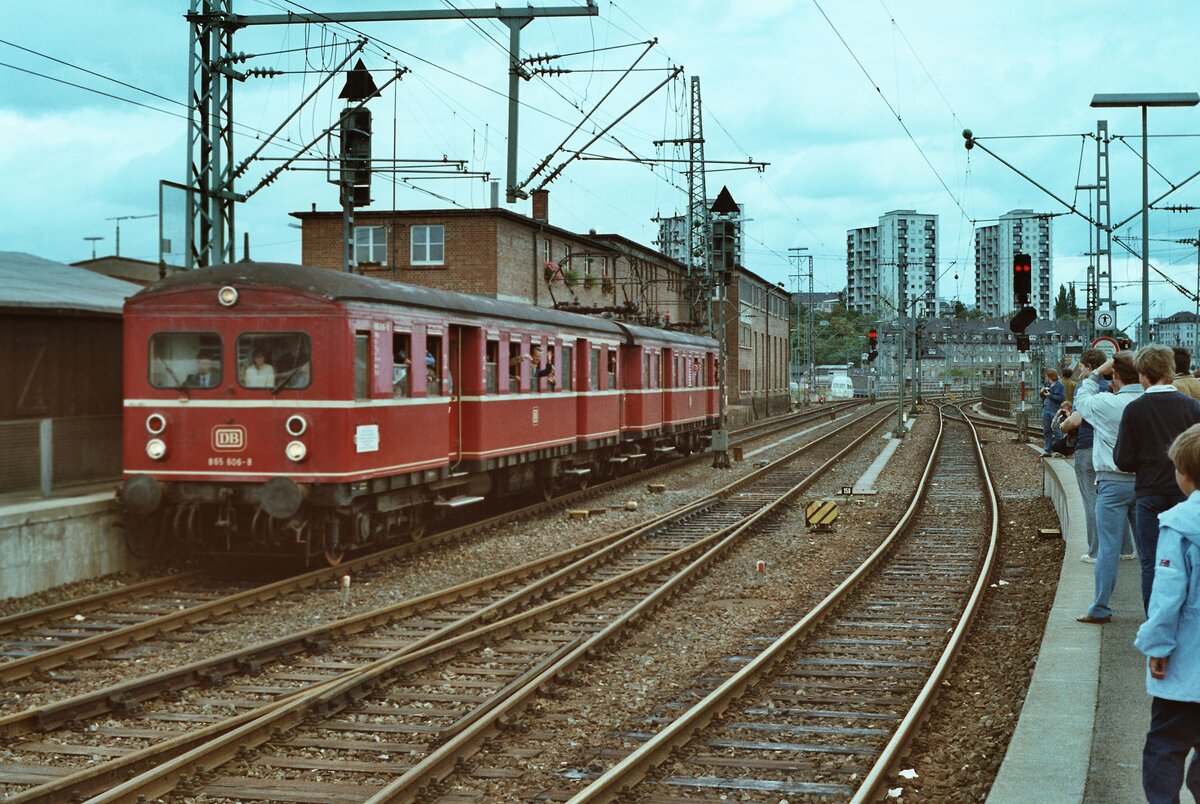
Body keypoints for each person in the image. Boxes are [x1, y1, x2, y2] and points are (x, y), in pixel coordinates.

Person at [1133, 422, 1200, 804]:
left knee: (1165, 745)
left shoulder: (1177, 525)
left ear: (1185, 476)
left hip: (1186, 661)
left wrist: (1157, 646)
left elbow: (1167, 597)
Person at [1114, 345, 1200, 612]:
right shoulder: (1193, 408)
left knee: (1151, 562)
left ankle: (1154, 620)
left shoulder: (1135, 410)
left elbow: (1123, 460)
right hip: (1185, 494)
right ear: (1170, 370)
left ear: (1142, 375)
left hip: (1149, 494)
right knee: (1188, 559)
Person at [1074, 352, 1143, 624]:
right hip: (1146, 483)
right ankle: (1156, 611)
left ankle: (1101, 607)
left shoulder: (1105, 404)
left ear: (1114, 375)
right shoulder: (1148, 402)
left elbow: (1081, 399)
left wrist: (1094, 374)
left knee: (1108, 549)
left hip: (1112, 483)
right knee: (1149, 550)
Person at [1061, 349, 1134, 563]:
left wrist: (1064, 427)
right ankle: (1126, 549)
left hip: (1088, 448)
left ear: (1091, 368)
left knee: (1092, 501)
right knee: (1121, 503)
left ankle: (1095, 551)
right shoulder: (1116, 388)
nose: (1082, 372)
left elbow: (1075, 420)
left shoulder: (1088, 390)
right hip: (1117, 449)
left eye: (1083, 367)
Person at [1039, 368, 1066, 457]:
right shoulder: (1046, 384)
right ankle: (1047, 450)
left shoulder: (1060, 386)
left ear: (1050, 376)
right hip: (1046, 408)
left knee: (1057, 430)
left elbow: (1061, 398)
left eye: (1047, 376)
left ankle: (1059, 450)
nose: (1046, 377)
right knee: (1047, 430)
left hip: (1054, 409)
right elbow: (1042, 396)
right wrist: (1042, 392)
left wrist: (1050, 395)